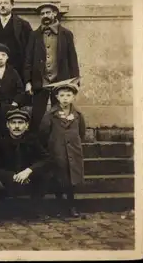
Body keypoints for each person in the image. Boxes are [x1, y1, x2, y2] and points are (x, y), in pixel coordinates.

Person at [0, 108, 53, 220]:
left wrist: (29, 171)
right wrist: (13, 176)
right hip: (7, 181)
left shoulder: (32, 139)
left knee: (46, 174)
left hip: (28, 180)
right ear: (8, 125)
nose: (17, 126)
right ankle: (0, 210)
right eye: (13, 123)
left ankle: (36, 208)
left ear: (26, 126)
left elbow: (47, 159)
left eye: (21, 123)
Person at [24, 3, 80, 132]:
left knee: (60, 114)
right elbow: (28, 59)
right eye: (42, 14)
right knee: (37, 116)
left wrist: (75, 80)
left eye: (48, 13)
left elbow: (72, 58)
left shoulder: (66, 34)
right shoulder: (34, 35)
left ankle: (59, 144)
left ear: (55, 14)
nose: (45, 16)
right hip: (40, 82)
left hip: (61, 81)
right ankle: (37, 148)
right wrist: (28, 81)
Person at [39, 82, 86, 218]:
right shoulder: (51, 114)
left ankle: (72, 206)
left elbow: (81, 132)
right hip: (57, 152)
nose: (65, 98)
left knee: (71, 181)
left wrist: (74, 144)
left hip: (73, 152)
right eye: (62, 95)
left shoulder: (78, 115)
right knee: (59, 179)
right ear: (57, 97)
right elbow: (43, 132)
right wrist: (52, 147)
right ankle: (59, 206)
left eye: (68, 95)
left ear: (73, 97)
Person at [0, 43, 25, 137]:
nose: (0, 58)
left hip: (8, 108)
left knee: (6, 133)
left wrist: (14, 103)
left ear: (7, 57)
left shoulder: (12, 72)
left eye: (3, 55)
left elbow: (20, 90)